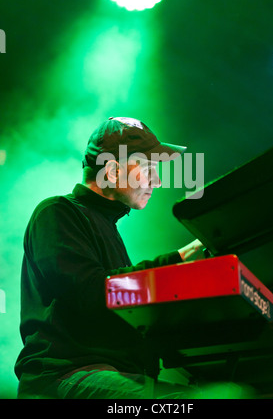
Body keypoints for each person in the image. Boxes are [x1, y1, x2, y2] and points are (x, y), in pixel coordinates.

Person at [14, 116, 207, 399]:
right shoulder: (57, 213)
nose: (159, 179)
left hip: (108, 376)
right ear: (114, 171)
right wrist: (176, 262)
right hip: (65, 378)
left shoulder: (104, 227)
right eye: (149, 167)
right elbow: (94, 293)